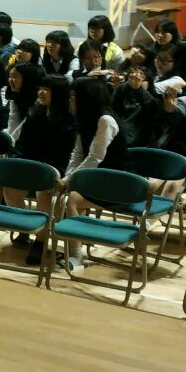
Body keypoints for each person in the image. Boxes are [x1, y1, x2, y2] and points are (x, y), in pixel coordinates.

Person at [60, 77, 131, 268]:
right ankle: (75, 245)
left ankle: (76, 257)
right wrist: (67, 178)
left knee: (71, 200)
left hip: (116, 182)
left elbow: (95, 158)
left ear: (87, 98)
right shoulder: (84, 118)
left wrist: (69, 181)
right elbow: (78, 154)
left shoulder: (106, 120)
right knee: (66, 194)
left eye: (74, 95)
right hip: (95, 179)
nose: (71, 99)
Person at [5, 76, 76, 266]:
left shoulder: (70, 120)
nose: (41, 92)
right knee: (10, 190)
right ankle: (25, 230)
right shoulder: (34, 113)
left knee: (44, 195)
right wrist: (16, 163)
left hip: (56, 173)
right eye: (40, 88)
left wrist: (53, 175)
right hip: (32, 169)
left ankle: (40, 242)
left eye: (47, 89)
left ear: (59, 94)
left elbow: (67, 156)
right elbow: (21, 144)